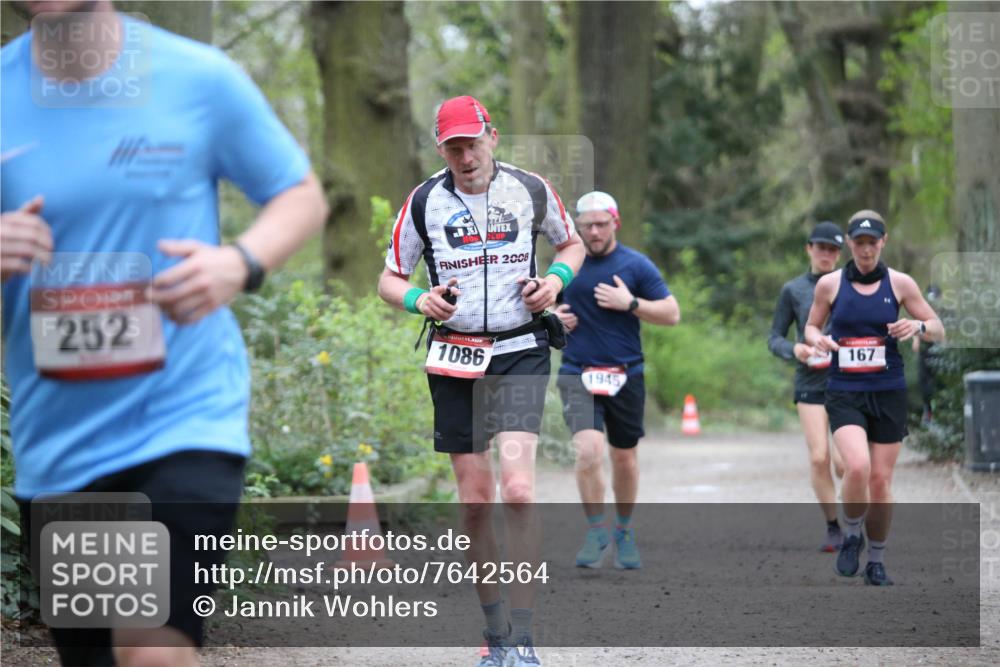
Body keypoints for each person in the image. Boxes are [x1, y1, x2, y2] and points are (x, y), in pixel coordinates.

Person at [1, 2, 327, 665]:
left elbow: (299, 194)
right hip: (61, 440)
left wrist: (239, 262)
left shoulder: (197, 78)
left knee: (152, 648)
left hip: (183, 416)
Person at [377, 95, 584, 667]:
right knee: (475, 501)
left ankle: (524, 637)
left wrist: (557, 280)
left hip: (521, 349)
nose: (465, 155)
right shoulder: (423, 203)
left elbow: (570, 243)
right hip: (456, 360)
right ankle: (493, 635)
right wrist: (421, 298)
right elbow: (389, 280)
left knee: (517, 489)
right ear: (441, 150)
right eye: (453, 146)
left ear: (492, 136)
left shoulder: (531, 190)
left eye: (472, 141)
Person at [805, 210, 944, 586]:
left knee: (881, 481)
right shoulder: (830, 285)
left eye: (872, 243)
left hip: (888, 390)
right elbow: (812, 325)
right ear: (849, 244)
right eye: (859, 243)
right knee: (858, 466)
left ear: (883, 243)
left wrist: (915, 325)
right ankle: (852, 536)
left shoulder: (900, 284)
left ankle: (877, 561)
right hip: (845, 390)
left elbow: (937, 328)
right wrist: (816, 338)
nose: (866, 250)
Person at [553, 191, 679, 570]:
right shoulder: (565, 266)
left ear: (615, 223)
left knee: (624, 459)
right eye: (587, 225)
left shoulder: (636, 266)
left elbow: (672, 314)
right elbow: (537, 309)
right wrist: (551, 318)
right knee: (588, 451)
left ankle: (623, 529)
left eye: (601, 224)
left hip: (626, 374)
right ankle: (596, 530)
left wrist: (633, 304)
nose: (593, 232)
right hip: (577, 372)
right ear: (577, 227)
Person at [768, 221, 846, 552]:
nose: (826, 254)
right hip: (810, 382)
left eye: (832, 249)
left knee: (846, 464)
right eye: (820, 247)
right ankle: (833, 528)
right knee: (819, 458)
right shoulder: (794, 290)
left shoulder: (851, 286)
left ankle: (857, 521)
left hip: (848, 382)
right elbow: (774, 337)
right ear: (809, 249)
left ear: (840, 253)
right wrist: (794, 349)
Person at [913, 285, 942, 425]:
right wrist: (917, 339)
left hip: (941, 352)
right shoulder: (922, 313)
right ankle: (928, 411)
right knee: (924, 381)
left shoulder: (944, 313)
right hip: (926, 351)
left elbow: (942, 335)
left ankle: (940, 411)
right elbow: (918, 328)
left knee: (939, 382)